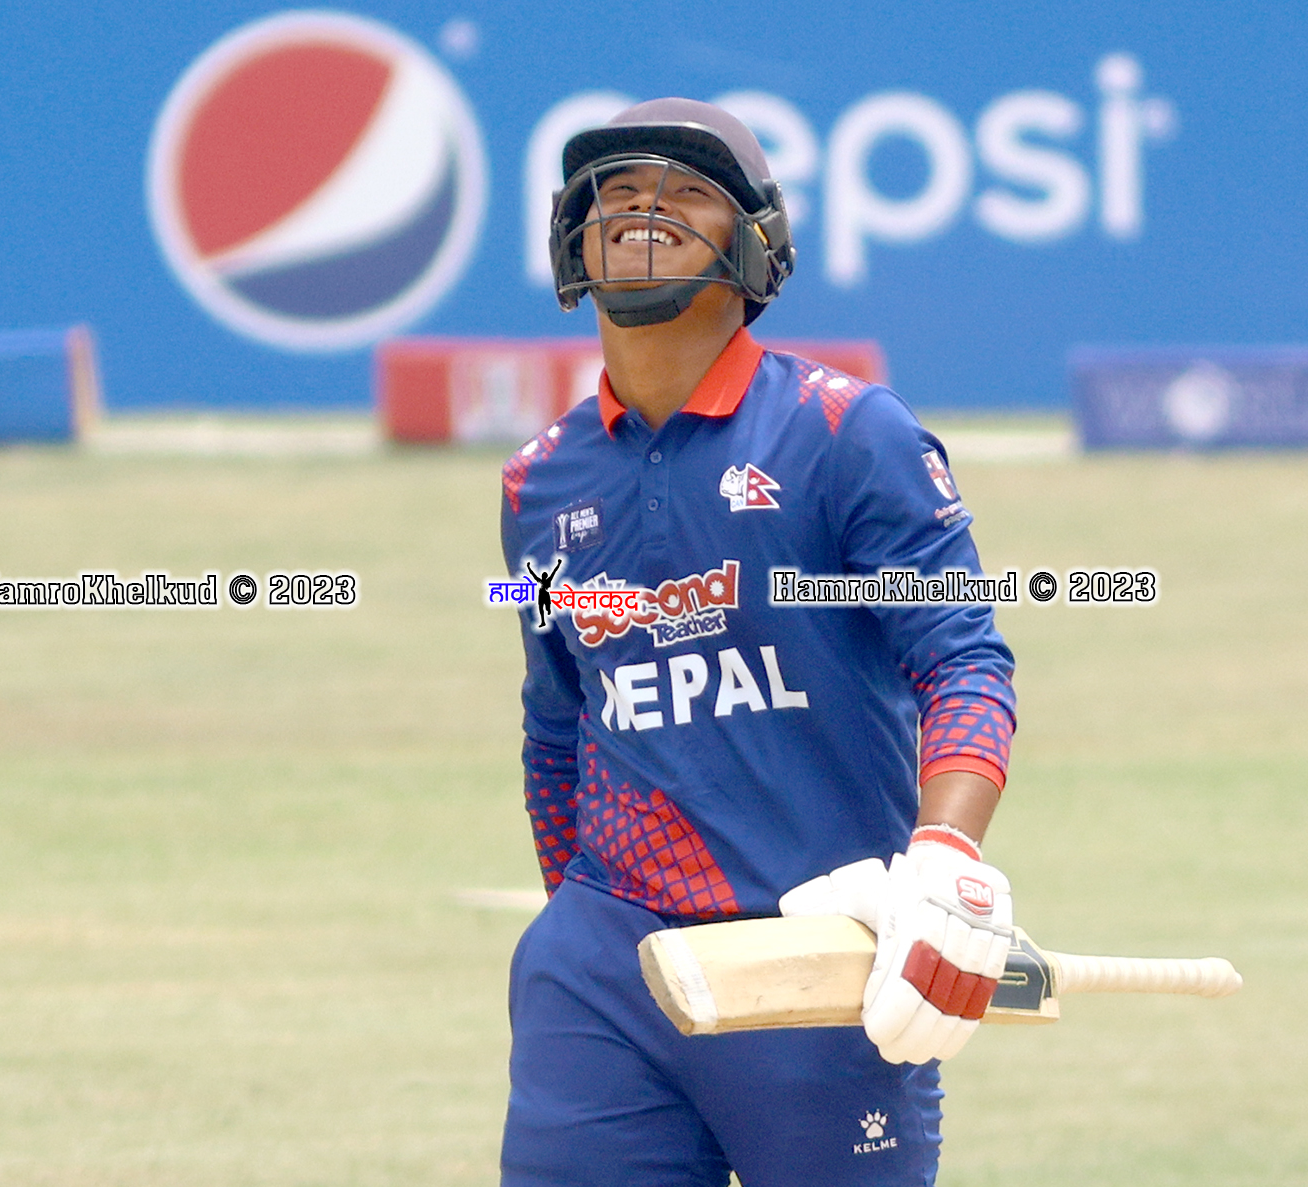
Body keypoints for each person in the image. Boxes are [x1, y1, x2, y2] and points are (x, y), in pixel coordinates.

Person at [498, 98, 1019, 1187]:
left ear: (755, 246)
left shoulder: (846, 433)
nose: (642, 212)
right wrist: (579, 923)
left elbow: (963, 659)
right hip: (607, 967)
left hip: (818, 953)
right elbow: (556, 724)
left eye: (686, 193)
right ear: (573, 242)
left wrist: (944, 862)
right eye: (615, 194)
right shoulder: (536, 482)